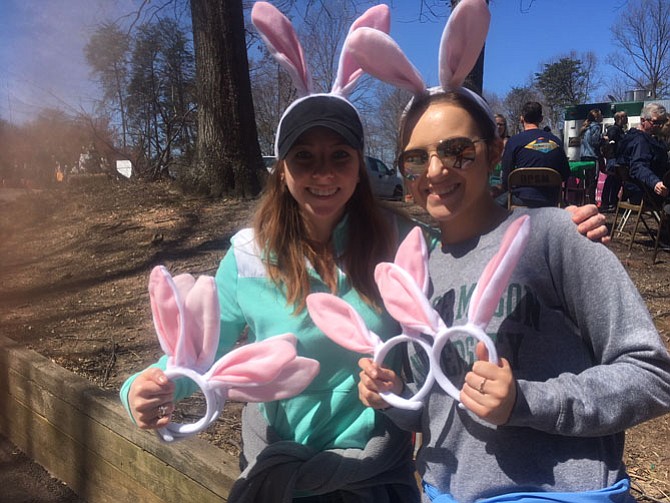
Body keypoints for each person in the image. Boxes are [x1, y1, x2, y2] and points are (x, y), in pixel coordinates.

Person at [120, 2, 608, 501]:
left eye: (340, 157)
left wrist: (548, 227)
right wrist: (146, 385)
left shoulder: (402, 243)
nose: (323, 174)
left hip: (374, 475)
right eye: (304, 158)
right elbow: (201, 355)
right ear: (283, 171)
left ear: (359, 167)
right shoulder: (247, 257)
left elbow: (475, 249)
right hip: (275, 470)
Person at [347, 3, 670, 502]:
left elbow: (651, 375)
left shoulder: (555, 238)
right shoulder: (416, 270)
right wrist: (390, 394)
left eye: (458, 151)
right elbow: (431, 410)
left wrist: (527, 400)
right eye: (415, 158)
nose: (435, 171)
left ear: (495, 151)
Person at [498, 101, 571, 207]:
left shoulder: (514, 141)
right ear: (541, 119)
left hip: (521, 198)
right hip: (551, 200)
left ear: (521, 118)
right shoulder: (556, 141)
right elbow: (565, 174)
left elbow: (506, 175)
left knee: (492, 206)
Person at [615, 102, 669, 205]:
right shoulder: (641, 140)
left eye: (663, 122)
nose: (660, 125)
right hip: (647, 191)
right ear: (643, 121)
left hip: (639, 189)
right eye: (656, 122)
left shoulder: (634, 137)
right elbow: (638, 166)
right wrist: (655, 183)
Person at [600, 111, 628, 212]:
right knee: (611, 181)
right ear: (619, 118)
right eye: (625, 116)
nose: (627, 118)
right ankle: (607, 203)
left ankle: (613, 202)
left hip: (618, 159)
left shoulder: (621, 130)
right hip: (613, 159)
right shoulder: (613, 130)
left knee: (616, 181)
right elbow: (608, 142)